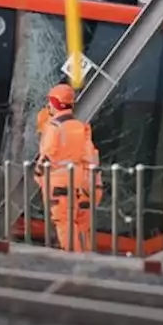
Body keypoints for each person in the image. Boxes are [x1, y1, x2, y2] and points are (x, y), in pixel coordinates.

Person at [35, 84, 101, 252]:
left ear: (56, 103)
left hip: (58, 182)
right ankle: (86, 259)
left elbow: (48, 154)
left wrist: (38, 174)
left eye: (50, 102)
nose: (48, 105)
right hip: (83, 182)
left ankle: (73, 260)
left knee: (64, 222)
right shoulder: (82, 127)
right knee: (81, 224)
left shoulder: (54, 126)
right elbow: (90, 155)